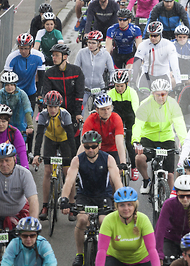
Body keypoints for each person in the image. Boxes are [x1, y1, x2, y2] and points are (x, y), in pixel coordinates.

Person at [59, 130, 122, 266]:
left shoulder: (108, 159)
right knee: (82, 219)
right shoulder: (77, 160)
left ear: (99, 145)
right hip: (84, 195)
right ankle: (80, 254)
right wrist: (64, 199)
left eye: (93, 146)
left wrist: (121, 199)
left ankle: (107, 253)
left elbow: (117, 180)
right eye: (87, 147)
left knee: (103, 220)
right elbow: (69, 181)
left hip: (103, 195)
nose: (90, 149)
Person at [132, 79, 187, 194]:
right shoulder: (145, 104)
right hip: (148, 138)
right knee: (139, 158)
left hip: (167, 138)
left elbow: (179, 124)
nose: (161, 97)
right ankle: (146, 180)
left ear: (167, 93)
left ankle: (172, 200)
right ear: (153, 94)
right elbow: (138, 125)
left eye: (164, 94)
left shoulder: (173, 105)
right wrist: (136, 141)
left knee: (170, 175)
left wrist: (184, 141)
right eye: (158, 94)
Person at [33, 91, 76, 220]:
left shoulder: (65, 115)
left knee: (68, 172)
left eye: (55, 107)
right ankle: (45, 205)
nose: (52, 109)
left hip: (64, 140)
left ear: (59, 106)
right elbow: (39, 136)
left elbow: (71, 137)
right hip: (50, 140)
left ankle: (72, 205)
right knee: (47, 171)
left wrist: (74, 157)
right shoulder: (43, 115)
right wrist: (36, 154)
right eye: (50, 106)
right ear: (46, 106)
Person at [96, 186, 160, 266]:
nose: (126, 208)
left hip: (140, 260)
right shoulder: (109, 220)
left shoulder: (143, 219)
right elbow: (102, 250)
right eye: (122, 205)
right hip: (116, 259)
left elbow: (152, 249)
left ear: (135, 206)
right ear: (117, 207)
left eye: (129, 204)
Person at [155, 175, 190, 262]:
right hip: (170, 239)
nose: (185, 199)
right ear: (176, 194)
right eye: (181, 196)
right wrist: (159, 254)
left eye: (188, 196)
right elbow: (160, 229)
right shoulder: (169, 204)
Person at [42, 44, 85, 137]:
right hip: (56, 110)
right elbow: (46, 93)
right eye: (53, 55)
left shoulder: (76, 71)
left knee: (74, 138)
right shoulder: (49, 73)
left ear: (65, 56)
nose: (54, 58)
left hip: (73, 110)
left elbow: (79, 94)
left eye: (57, 55)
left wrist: (78, 113)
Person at [79, 94, 127, 169]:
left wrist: (123, 162)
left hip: (113, 149)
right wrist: (76, 162)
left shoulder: (116, 118)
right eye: (103, 109)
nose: (106, 112)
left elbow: (119, 142)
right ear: (97, 110)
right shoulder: (91, 119)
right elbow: (84, 143)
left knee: (116, 174)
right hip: (97, 150)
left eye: (108, 108)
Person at [107, 70, 140, 181]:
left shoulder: (132, 93)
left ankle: (134, 168)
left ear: (126, 84)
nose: (119, 88)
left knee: (130, 143)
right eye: (117, 86)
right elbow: (107, 110)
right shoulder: (110, 93)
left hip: (130, 118)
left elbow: (136, 110)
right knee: (115, 142)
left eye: (121, 86)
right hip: (117, 118)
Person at [132, 21, 182, 93]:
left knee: (164, 99)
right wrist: (133, 81)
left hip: (163, 76)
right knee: (143, 98)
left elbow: (175, 65)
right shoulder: (143, 45)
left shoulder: (169, 45)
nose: (152, 38)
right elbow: (136, 64)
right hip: (147, 76)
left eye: (155, 35)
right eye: (151, 35)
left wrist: (178, 82)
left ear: (160, 34)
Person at [0, 143, 38, 231]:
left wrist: (33, 224)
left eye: (7, 160)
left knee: (26, 241)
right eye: (1, 161)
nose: (4, 164)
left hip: (19, 214)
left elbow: (33, 200)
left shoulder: (24, 174)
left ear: (14, 159)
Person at [75, 31, 115, 111]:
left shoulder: (105, 54)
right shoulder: (81, 53)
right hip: (85, 88)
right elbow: (75, 69)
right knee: (79, 109)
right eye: (89, 42)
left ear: (99, 43)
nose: (90, 45)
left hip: (100, 88)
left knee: (101, 109)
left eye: (93, 43)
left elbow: (112, 71)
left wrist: (111, 82)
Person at [0, 72, 33, 149]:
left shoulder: (22, 94)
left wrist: (30, 125)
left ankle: (29, 153)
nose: (9, 87)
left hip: (20, 126)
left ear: (15, 85)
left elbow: (27, 110)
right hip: (4, 125)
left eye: (12, 84)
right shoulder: (1, 94)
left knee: (20, 148)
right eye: (7, 85)